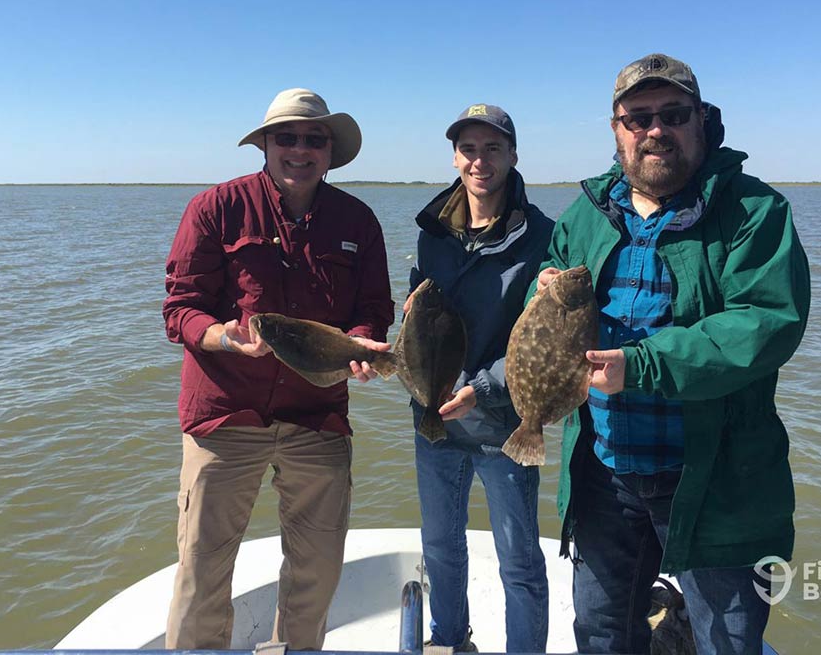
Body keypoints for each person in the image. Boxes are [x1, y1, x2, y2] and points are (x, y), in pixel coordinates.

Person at [533, 54, 811, 655]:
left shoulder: (756, 212)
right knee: (602, 633)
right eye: (637, 118)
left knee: (727, 642)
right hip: (603, 474)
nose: (654, 129)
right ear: (617, 130)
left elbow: (765, 324)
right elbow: (544, 294)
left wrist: (643, 364)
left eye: (673, 114)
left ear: (702, 122)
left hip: (717, 480)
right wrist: (544, 290)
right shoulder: (584, 215)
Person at [162, 88, 394, 650]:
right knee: (201, 570)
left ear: (330, 151)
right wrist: (224, 337)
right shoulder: (215, 208)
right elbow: (179, 309)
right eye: (286, 137)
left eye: (314, 139)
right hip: (225, 415)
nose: (300, 149)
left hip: (317, 415)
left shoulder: (357, 221)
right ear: (264, 144)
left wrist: (363, 345)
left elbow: (372, 311)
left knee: (316, 569)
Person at [407, 104, 554, 653]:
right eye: (469, 148)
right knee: (440, 546)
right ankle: (448, 639)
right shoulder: (432, 234)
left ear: (513, 156)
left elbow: (545, 338)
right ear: (454, 157)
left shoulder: (543, 237)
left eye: (493, 148)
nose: (480, 160)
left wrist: (486, 389)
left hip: (502, 424)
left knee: (518, 560)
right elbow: (421, 319)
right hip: (433, 415)